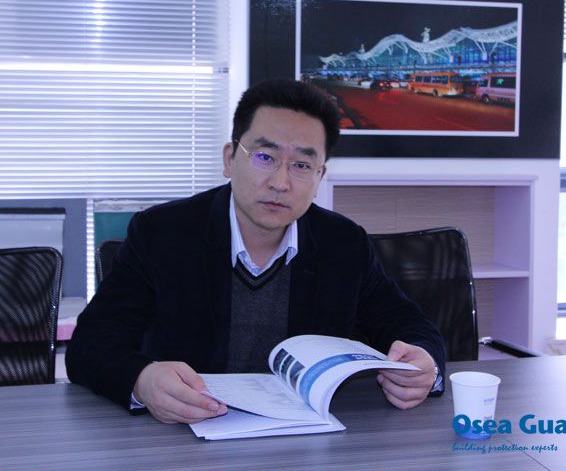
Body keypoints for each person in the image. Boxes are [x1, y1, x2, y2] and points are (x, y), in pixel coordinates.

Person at [66, 79, 445, 424]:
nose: (280, 182)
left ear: (319, 177)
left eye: (302, 164)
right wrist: (141, 379)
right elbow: (90, 345)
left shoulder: (343, 243)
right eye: (265, 157)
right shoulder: (162, 233)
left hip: (306, 441)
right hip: (186, 438)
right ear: (230, 159)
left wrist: (424, 364)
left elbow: (411, 327)